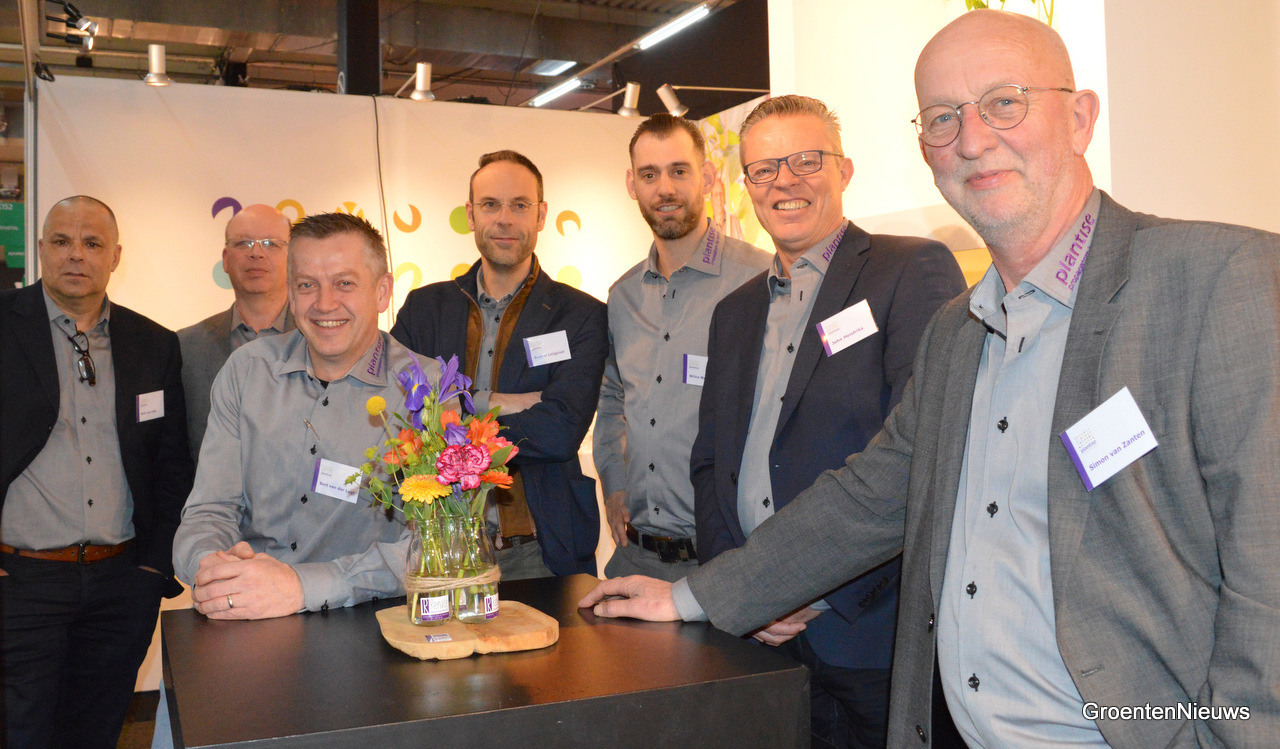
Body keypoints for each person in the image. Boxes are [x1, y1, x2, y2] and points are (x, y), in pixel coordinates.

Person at [581, 10, 1280, 747]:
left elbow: (1268, 572)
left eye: (1005, 102)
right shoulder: (958, 332)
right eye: (944, 118)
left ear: (1079, 118)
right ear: (925, 150)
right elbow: (868, 497)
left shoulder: (1220, 283)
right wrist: (691, 596)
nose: (972, 139)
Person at [691, 95, 964, 748]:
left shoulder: (910, 270)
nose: (785, 181)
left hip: (866, 627)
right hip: (758, 640)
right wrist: (746, 591)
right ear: (748, 184)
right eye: (764, 168)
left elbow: (924, 453)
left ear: (844, 170)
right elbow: (710, 464)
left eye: (806, 161)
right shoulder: (733, 312)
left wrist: (806, 590)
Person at [172, 211, 440, 618]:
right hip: (247, 612)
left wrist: (301, 586)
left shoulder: (426, 391)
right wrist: (211, 565)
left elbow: (441, 544)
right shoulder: (247, 371)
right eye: (307, 285)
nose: (325, 303)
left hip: (369, 623)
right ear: (291, 294)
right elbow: (209, 511)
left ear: (382, 292)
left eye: (344, 283)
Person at [0, 196, 195, 748]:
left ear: (115, 256)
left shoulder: (154, 343)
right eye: (62, 241)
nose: (76, 255)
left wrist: (153, 567)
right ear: (41, 249)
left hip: (122, 585)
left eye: (92, 243)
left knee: (97, 732)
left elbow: (170, 463)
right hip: (21, 583)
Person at [391, 150, 607, 579]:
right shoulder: (425, 309)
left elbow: (560, 432)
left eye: (520, 205)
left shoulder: (581, 315)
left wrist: (448, 414)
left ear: (541, 215)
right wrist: (497, 400)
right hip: (439, 543)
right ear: (471, 215)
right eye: (490, 204)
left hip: (537, 550)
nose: (505, 219)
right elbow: (399, 413)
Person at [594, 114, 770, 583]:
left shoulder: (760, 279)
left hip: (725, 561)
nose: (665, 188)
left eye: (679, 170)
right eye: (649, 175)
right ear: (632, 185)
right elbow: (612, 401)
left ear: (707, 178)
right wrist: (613, 485)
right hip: (635, 559)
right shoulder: (623, 296)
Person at [179, 203, 294, 460]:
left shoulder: (320, 340)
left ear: (293, 257)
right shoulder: (185, 346)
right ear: (225, 259)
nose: (256, 253)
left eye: (271, 244)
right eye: (243, 243)